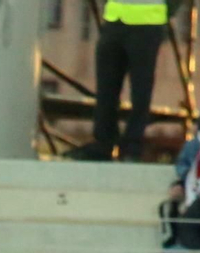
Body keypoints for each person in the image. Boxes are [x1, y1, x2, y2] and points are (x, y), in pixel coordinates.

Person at [69, 0, 166, 161]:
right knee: (106, 87)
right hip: (114, 20)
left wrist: (167, 11)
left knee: (140, 91)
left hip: (148, 23)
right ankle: (103, 143)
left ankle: (132, 147)